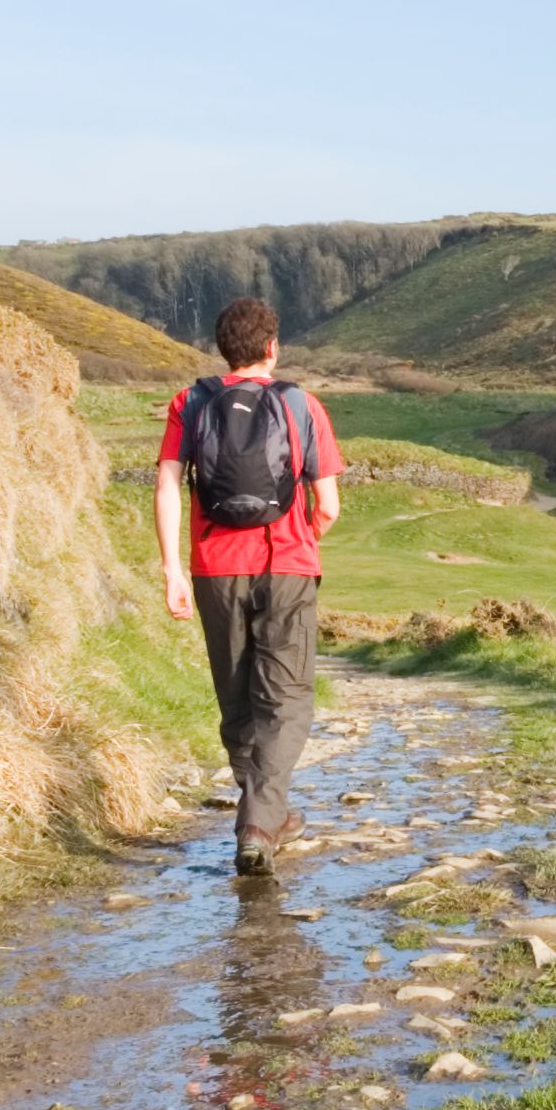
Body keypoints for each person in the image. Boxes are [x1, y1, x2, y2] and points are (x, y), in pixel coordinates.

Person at [154, 297, 345, 874]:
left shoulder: (190, 402)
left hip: (214, 568)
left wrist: (172, 569)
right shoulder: (302, 404)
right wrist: (302, 541)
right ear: (272, 348)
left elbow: (167, 485)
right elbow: (328, 506)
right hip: (287, 565)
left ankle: (266, 814)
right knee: (285, 699)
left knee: (237, 699)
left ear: (222, 349)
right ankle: (259, 824)